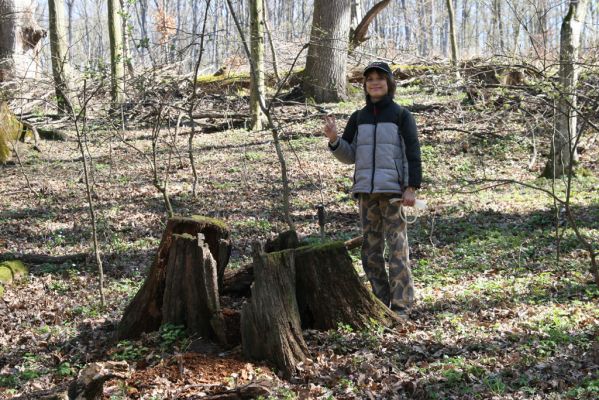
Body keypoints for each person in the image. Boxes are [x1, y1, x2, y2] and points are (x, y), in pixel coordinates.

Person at [323, 61, 422, 317]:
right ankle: (380, 303)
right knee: (371, 250)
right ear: (365, 86)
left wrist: (411, 188)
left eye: (380, 78)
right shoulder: (358, 117)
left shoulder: (401, 115)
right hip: (366, 193)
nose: (375, 82)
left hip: (394, 195)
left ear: (389, 83)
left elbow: (413, 153)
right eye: (370, 79)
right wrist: (334, 140)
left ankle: (402, 306)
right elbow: (350, 155)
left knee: (398, 248)